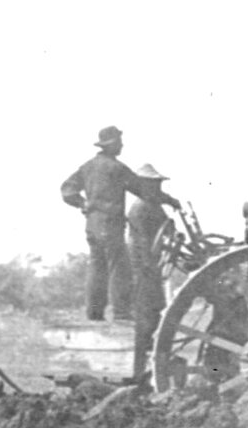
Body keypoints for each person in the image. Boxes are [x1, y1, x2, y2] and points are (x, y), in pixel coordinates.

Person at [60, 126, 178, 321]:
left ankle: (94, 314)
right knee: (119, 267)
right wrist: (170, 200)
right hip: (111, 225)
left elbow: (67, 190)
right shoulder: (116, 168)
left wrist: (83, 204)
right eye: (119, 142)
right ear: (112, 145)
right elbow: (144, 191)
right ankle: (122, 313)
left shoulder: (87, 167)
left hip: (92, 225)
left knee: (97, 266)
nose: (122, 146)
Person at [127, 163, 172, 380]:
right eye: (153, 184)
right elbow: (144, 245)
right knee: (145, 322)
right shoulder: (140, 209)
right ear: (143, 186)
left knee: (156, 319)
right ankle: (138, 373)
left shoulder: (154, 205)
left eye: (158, 184)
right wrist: (151, 267)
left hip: (151, 271)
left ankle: (153, 371)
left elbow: (166, 225)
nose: (157, 188)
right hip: (142, 271)